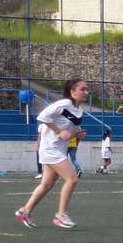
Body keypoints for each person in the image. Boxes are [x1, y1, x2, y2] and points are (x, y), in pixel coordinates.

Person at [15, 78, 89, 230]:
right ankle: (61, 216)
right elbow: (42, 116)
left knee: (47, 184)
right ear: (72, 91)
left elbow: (69, 130)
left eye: (87, 89)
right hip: (50, 149)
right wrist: (58, 131)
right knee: (72, 178)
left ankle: (25, 211)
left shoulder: (78, 110)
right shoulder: (63, 104)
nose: (86, 92)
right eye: (82, 89)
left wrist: (77, 134)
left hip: (59, 149)